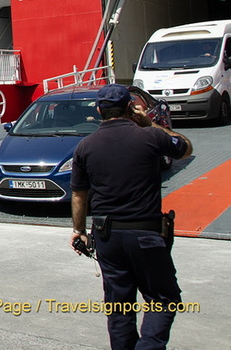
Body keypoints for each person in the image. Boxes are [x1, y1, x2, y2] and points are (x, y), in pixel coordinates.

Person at [70, 84, 194, 350]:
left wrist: (78, 231)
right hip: (147, 235)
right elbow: (184, 148)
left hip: (107, 237)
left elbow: (80, 195)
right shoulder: (150, 136)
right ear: (130, 108)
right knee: (163, 298)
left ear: (99, 110)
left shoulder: (85, 146)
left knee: (118, 306)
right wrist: (149, 123)